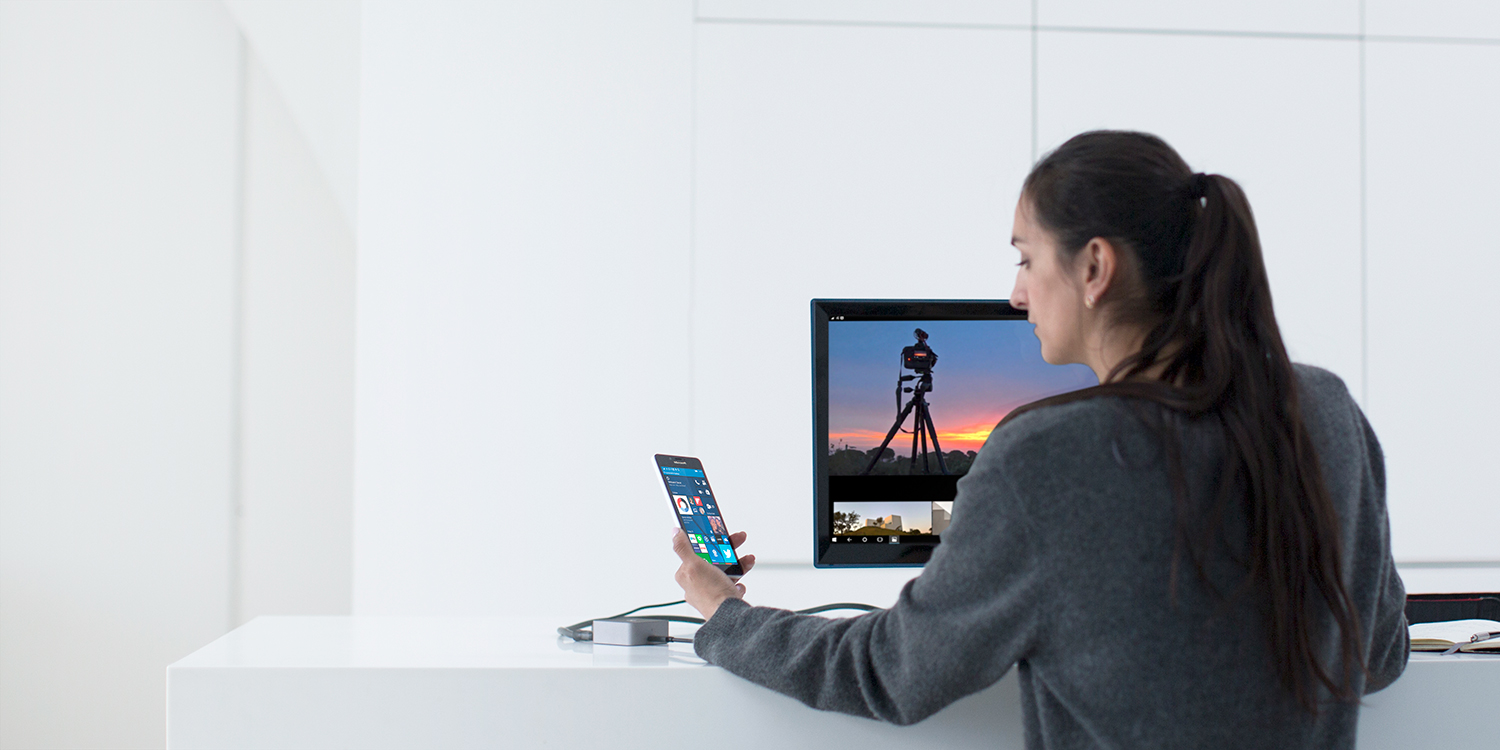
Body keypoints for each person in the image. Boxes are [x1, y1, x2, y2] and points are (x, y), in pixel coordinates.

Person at [669, 131, 1408, 749]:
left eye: (1025, 258)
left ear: (1093, 267)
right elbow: (1378, 653)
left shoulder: (1048, 452)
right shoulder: (1326, 409)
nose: (1016, 292)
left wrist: (727, 618)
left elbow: (892, 674)